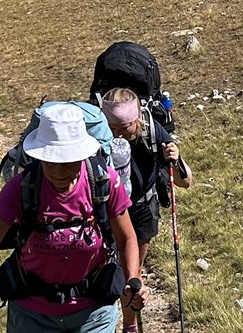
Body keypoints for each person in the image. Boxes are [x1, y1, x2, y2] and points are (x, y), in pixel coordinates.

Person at [0, 104, 147, 333]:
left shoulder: (105, 182)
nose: (60, 172)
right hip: (31, 313)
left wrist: (133, 280)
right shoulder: (20, 188)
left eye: (69, 162)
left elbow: (127, 238)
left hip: (94, 312)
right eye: (51, 161)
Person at [99, 88, 191, 333]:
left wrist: (175, 157)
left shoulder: (151, 130)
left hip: (139, 208)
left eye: (124, 128)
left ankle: (129, 325)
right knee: (105, 269)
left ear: (136, 119)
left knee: (132, 273)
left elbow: (185, 181)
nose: (117, 135)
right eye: (112, 128)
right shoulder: (97, 135)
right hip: (106, 208)